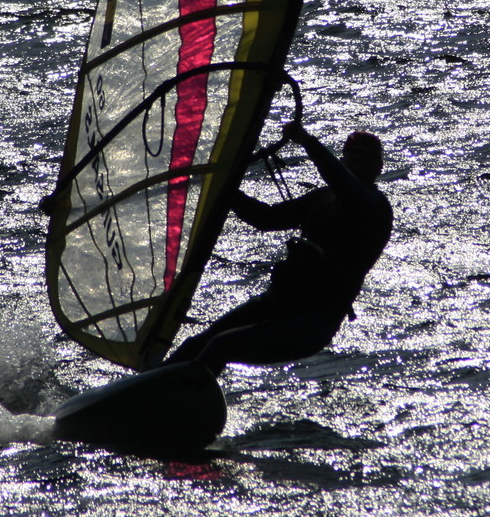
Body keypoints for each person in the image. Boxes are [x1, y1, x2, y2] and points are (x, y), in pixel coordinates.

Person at [167, 123, 393, 375]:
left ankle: (183, 400)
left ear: (379, 168)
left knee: (221, 346)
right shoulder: (323, 198)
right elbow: (267, 218)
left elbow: (344, 184)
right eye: (354, 157)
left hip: (313, 322)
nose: (359, 164)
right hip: (279, 303)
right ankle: (147, 386)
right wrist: (225, 187)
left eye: (367, 159)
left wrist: (307, 141)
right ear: (345, 159)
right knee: (197, 344)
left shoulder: (374, 208)